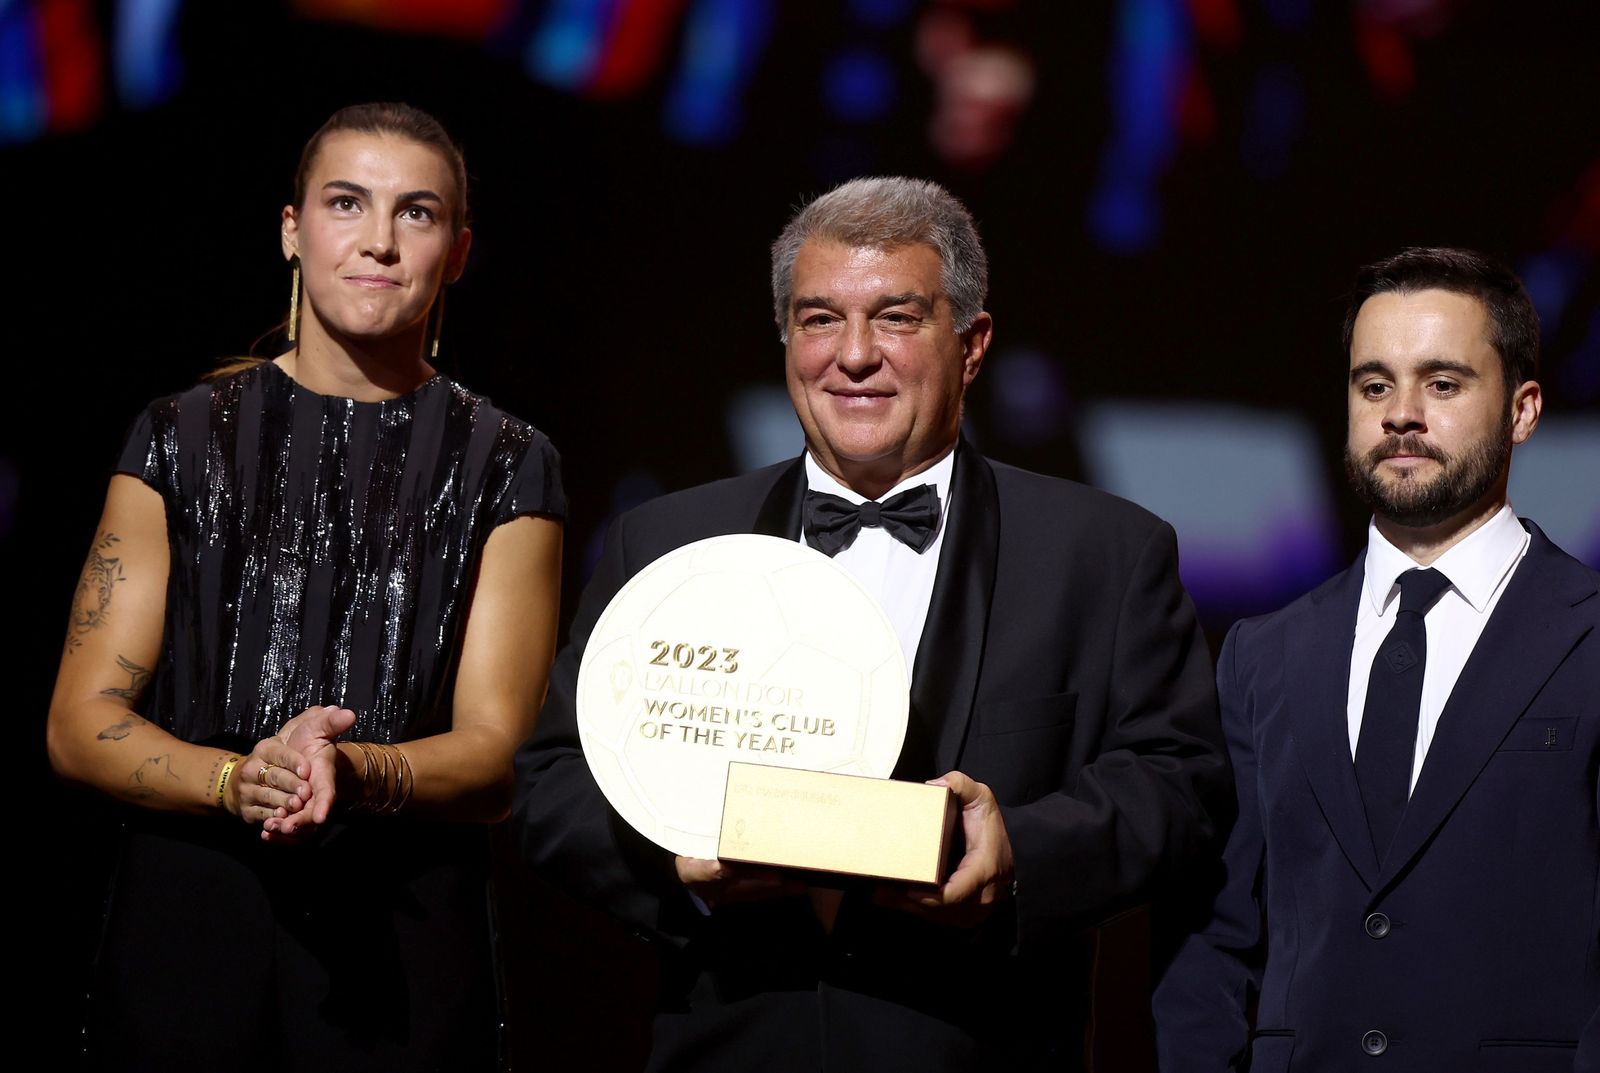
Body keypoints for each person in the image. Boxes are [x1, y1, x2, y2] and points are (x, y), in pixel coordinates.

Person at [511, 176, 1229, 1072]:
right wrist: (670, 861)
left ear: (972, 345)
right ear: (784, 338)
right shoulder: (664, 542)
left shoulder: (1105, 552)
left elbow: (1180, 785)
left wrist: (1022, 853)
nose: (853, 356)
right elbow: (550, 779)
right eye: (818, 319)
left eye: (895, 317)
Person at [46, 102, 564, 1071]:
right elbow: (79, 721)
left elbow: (497, 758)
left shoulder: (510, 464)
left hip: (402, 937)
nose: (377, 240)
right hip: (191, 915)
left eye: (415, 213)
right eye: (345, 203)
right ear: (292, 230)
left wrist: (354, 769)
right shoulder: (175, 437)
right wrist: (239, 780)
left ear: (456, 250)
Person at [1152, 248, 1599, 1072]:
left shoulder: (1589, 637)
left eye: (1444, 383)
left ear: (1524, 409)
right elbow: (1211, 934)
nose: (1402, 414)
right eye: (1374, 384)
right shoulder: (1264, 653)